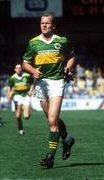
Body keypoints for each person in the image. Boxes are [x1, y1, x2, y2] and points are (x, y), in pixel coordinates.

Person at [22, 13, 75, 168]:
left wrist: (68, 68)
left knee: (52, 121)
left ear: (53, 26)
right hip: (40, 84)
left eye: (47, 23)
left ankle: (50, 157)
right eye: (42, 23)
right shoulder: (33, 43)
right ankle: (67, 140)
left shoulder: (62, 41)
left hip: (57, 82)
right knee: (53, 121)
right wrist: (32, 70)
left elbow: (71, 56)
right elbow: (25, 63)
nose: (44, 25)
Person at [6, 62, 34, 135]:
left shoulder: (27, 76)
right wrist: (9, 94)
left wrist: (31, 91)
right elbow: (9, 86)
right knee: (18, 116)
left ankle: (25, 108)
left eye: (20, 67)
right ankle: (20, 130)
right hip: (17, 97)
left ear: (22, 68)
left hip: (26, 96)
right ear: (15, 69)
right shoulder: (12, 78)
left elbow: (32, 83)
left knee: (26, 116)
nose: (18, 69)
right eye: (17, 68)